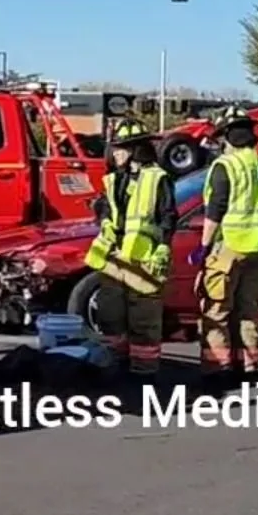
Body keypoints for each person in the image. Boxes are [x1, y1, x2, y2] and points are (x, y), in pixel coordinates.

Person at [83, 119, 177, 378]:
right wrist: (103, 221)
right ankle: (115, 363)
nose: (116, 153)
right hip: (115, 259)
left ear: (136, 149)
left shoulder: (158, 178)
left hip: (144, 259)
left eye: (122, 148)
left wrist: (164, 247)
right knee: (110, 315)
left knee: (144, 320)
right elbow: (103, 207)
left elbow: (168, 216)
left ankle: (144, 370)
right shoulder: (115, 180)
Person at [192, 106, 258, 386]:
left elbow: (215, 210)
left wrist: (203, 247)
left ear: (227, 137)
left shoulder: (224, 166)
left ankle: (220, 368)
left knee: (216, 310)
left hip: (228, 248)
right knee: (248, 309)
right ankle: (250, 366)